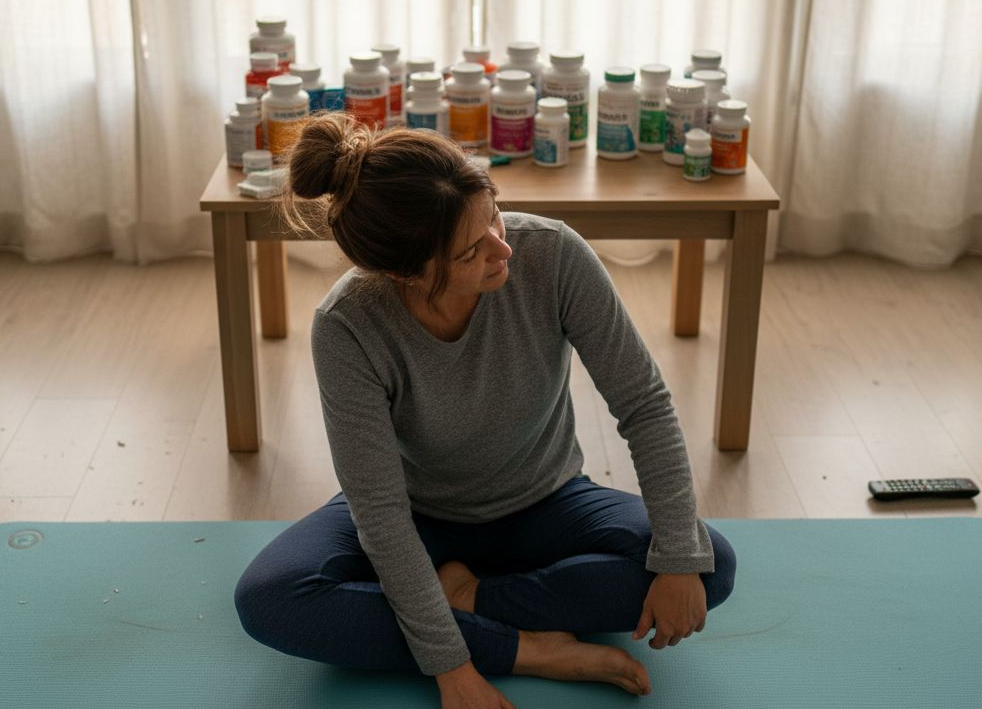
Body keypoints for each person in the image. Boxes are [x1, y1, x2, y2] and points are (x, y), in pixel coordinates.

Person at [234, 113, 736, 708]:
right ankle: (527, 646)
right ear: (405, 272)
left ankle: (469, 601)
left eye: (493, 213)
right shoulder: (347, 326)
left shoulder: (553, 254)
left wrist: (678, 559)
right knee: (270, 598)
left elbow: (644, 406)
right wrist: (456, 667)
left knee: (706, 564)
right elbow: (382, 514)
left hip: (546, 502)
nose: (503, 247)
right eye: (471, 250)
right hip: (418, 516)